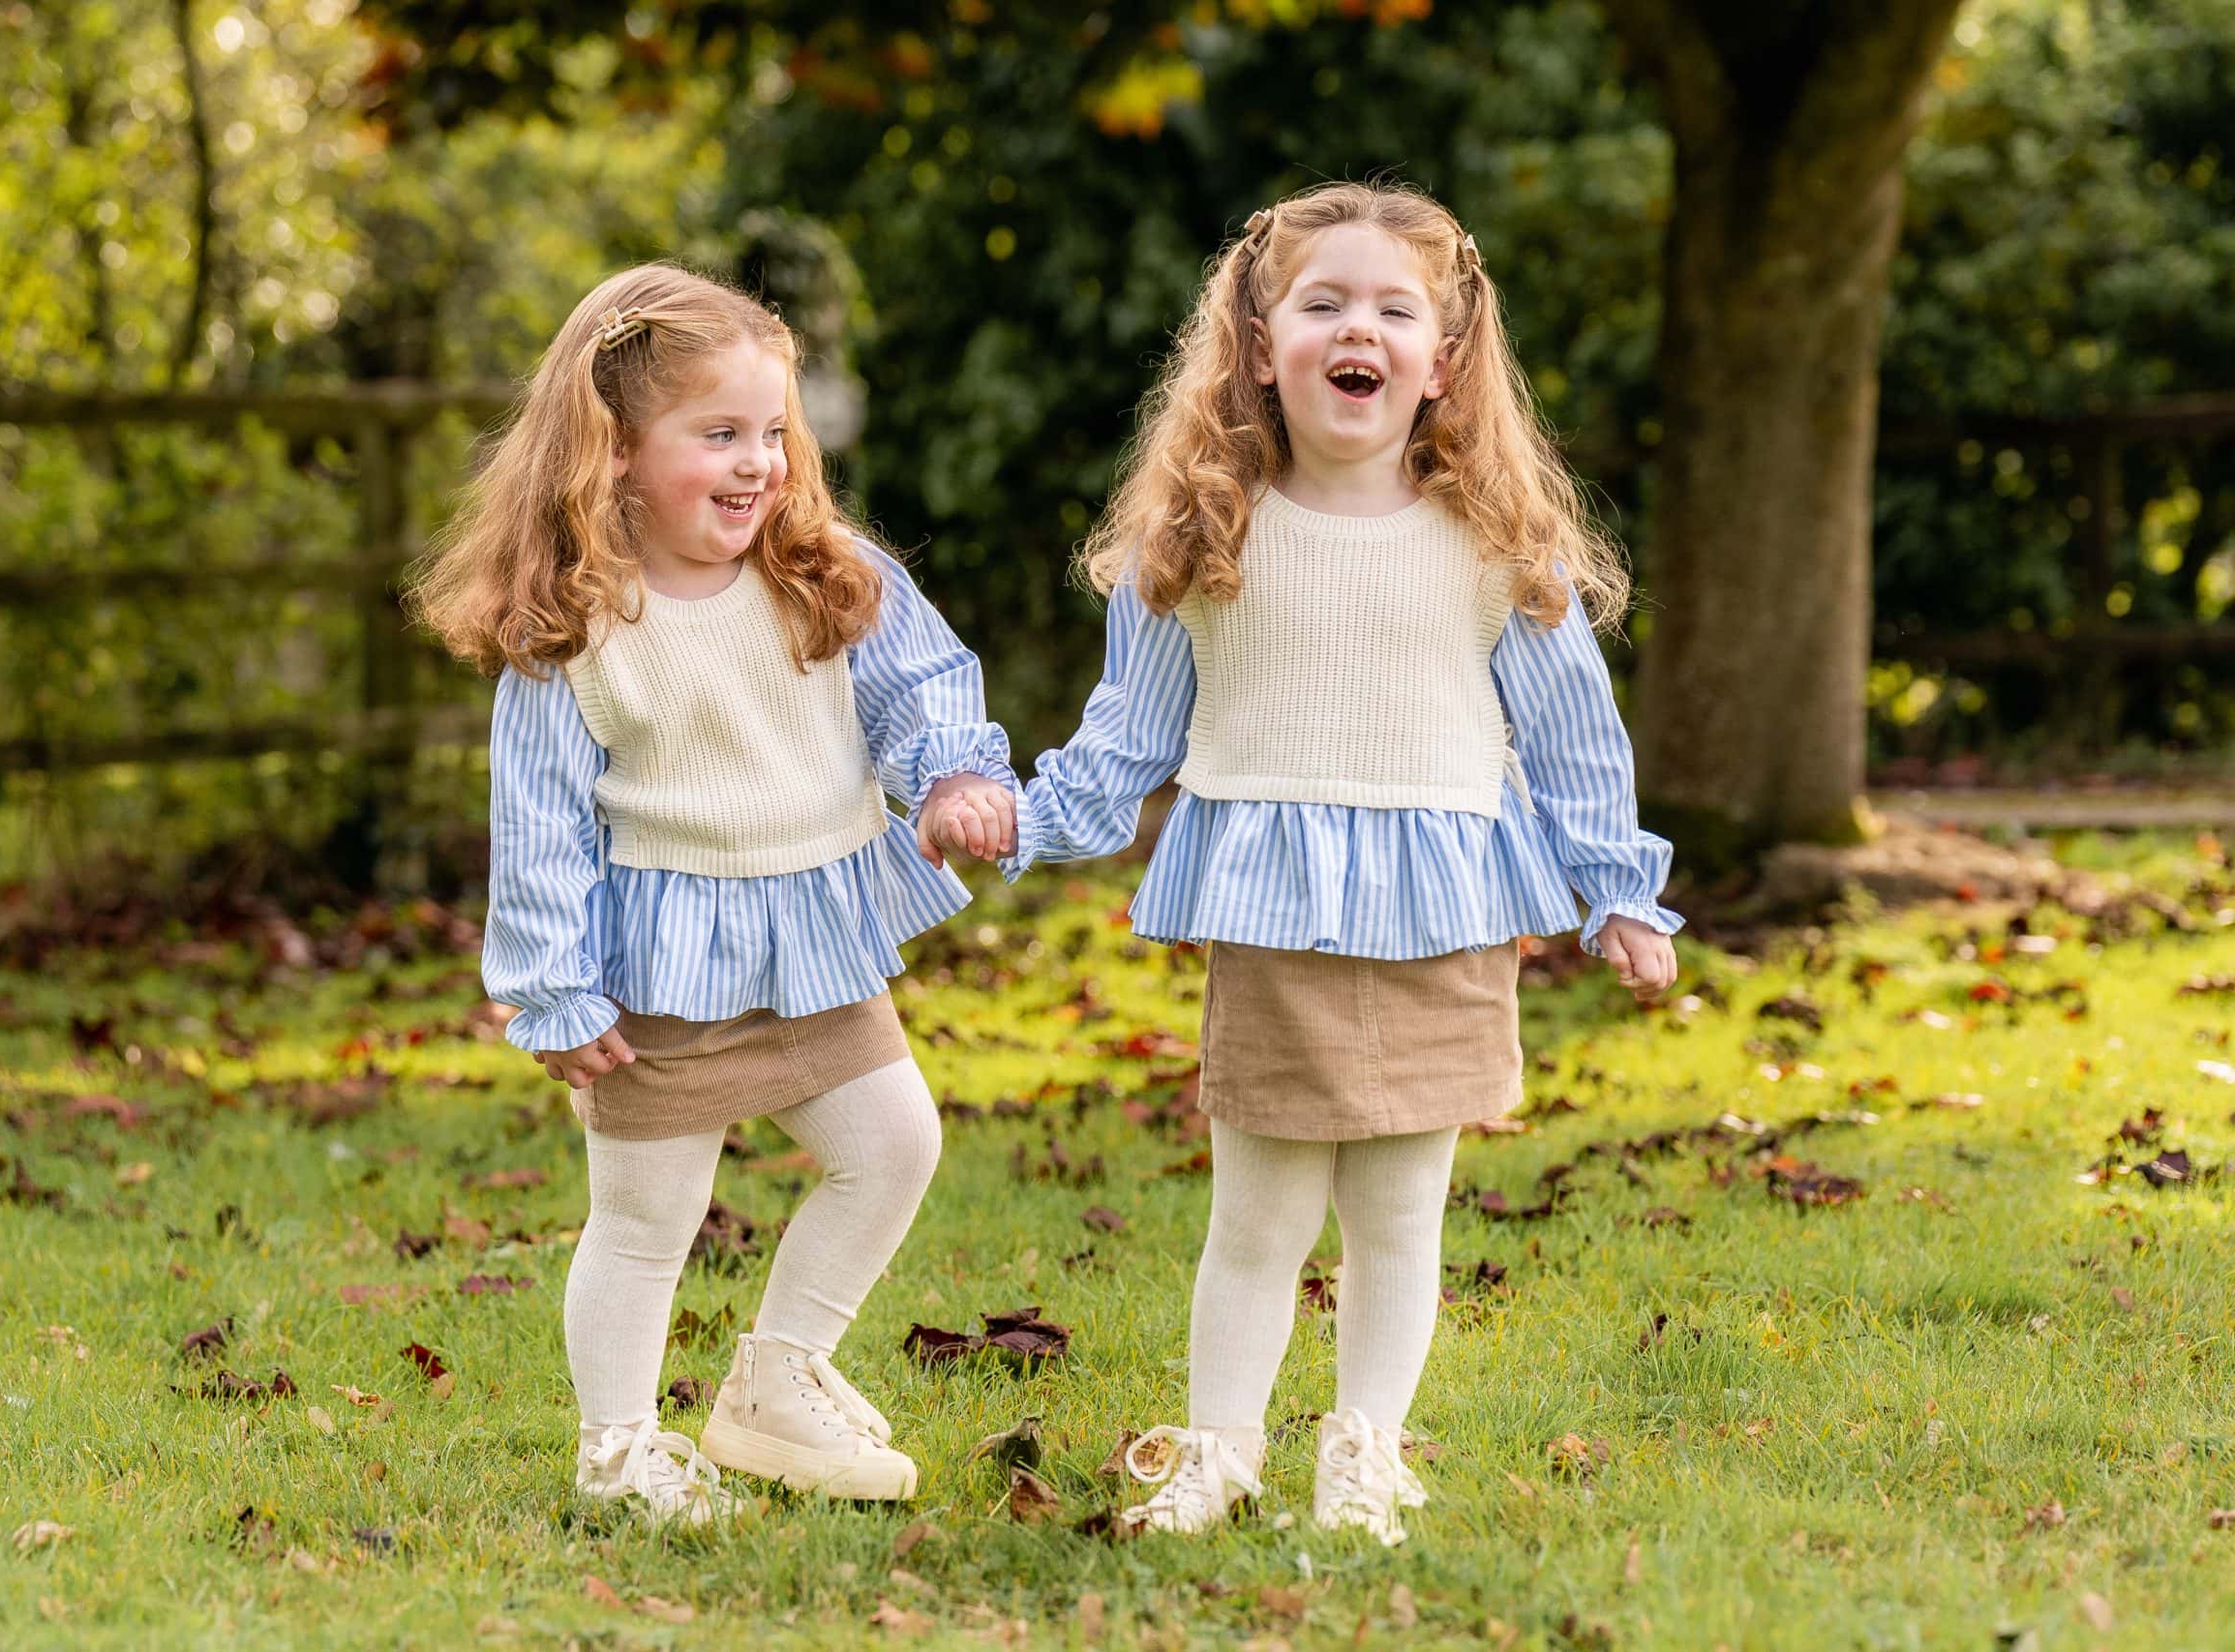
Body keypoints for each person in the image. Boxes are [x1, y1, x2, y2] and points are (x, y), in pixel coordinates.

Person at [984, 182, 1681, 1545]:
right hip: (1274, 908)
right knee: (1259, 1214)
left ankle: (1362, 1448)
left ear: (1444, 358)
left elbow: (1576, 742)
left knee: (1400, 1209)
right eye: (1322, 304)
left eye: (1393, 309)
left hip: (1448, 909)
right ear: (1256, 345)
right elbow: (1126, 743)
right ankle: (1220, 1453)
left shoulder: (1499, 550)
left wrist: (1621, 893)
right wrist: (1018, 819)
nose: (1357, 328)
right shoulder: (1199, 541)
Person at [409, 262, 1017, 1522]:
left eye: (771, 435)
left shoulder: (825, 574)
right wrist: (553, 989)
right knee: (646, 1221)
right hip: (663, 965)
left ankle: (775, 1380)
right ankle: (620, 1449)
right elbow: (539, 830)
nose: (756, 465)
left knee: (894, 1145)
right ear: (618, 452)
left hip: (814, 938)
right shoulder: (580, 626)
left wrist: (951, 776)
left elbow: (924, 690)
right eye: (718, 435)